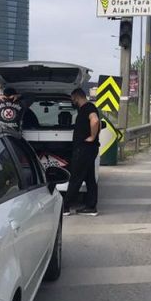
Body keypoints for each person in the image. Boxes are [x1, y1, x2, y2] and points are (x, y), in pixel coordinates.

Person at [63, 88, 100, 216]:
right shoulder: (85, 109)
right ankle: (91, 207)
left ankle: (65, 207)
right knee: (89, 178)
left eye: (73, 99)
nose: (72, 101)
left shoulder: (88, 108)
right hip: (88, 149)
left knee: (76, 178)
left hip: (85, 149)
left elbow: (95, 120)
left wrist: (92, 137)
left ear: (77, 97)